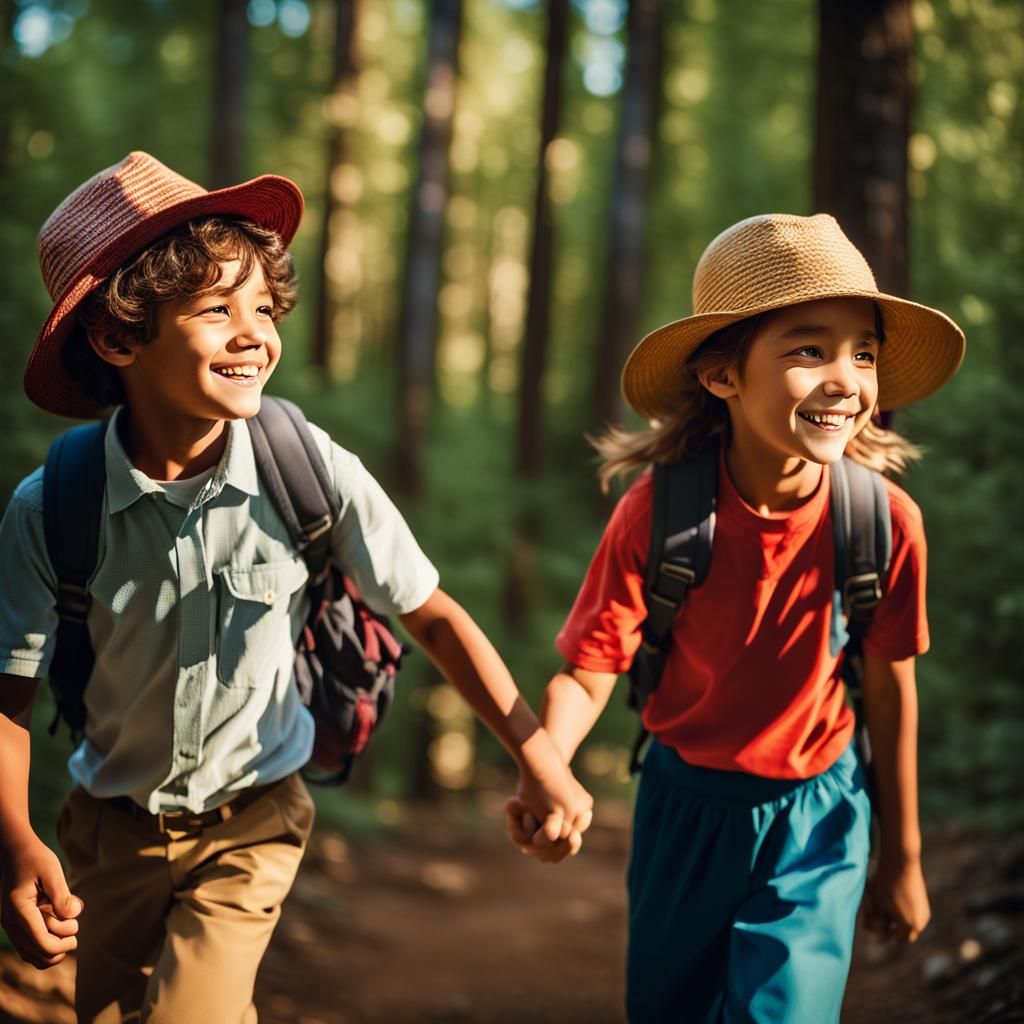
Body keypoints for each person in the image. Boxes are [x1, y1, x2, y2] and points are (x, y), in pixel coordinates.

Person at [0, 151, 593, 1024]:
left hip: (255, 818)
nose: (255, 334)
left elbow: (428, 613)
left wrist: (537, 755)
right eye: (215, 310)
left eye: (263, 307)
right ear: (118, 337)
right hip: (108, 828)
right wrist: (15, 842)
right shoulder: (52, 510)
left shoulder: (307, 467)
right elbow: (9, 690)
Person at [505, 213, 965, 1023]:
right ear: (723, 375)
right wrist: (551, 764)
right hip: (683, 809)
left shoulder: (886, 524)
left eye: (863, 352)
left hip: (819, 816)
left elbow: (892, 694)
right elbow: (591, 667)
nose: (845, 379)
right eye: (807, 349)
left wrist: (904, 855)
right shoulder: (660, 512)